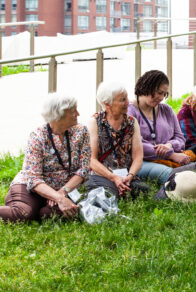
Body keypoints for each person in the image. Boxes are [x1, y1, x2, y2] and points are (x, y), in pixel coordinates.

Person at [1, 93, 90, 223]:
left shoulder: (81, 132)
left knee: (48, 214)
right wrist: (59, 198)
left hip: (65, 188)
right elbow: (34, 179)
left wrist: (62, 193)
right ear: (58, 114)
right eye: (73, 111)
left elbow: (84, 169)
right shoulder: (37, 136)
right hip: (31, 186)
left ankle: (39, 208)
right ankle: (29, 206)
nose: (78, 114)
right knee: (23, 213)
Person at [86, 81, 150, 198]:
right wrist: (113, 177)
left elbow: (138, 156)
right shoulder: (94, 122)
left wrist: (130, 176)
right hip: (102, 175)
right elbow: (92, 160)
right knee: (109, 193)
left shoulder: (131, 122)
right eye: (122, 100)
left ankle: (122, 188)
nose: (127, 102)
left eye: (126, 98)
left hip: (126, 174)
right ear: (107, 104)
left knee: (143, 191)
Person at [128, 70, 192, 185]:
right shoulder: (130, 111)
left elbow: (180, 138)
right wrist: (171, 154)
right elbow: (135, 145)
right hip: (142, 161)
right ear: (147, 87)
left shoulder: (166, 110)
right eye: (159, 92)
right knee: (169, 173)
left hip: (170, 158)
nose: (161, 97)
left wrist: (169, 146)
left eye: (164, 94)